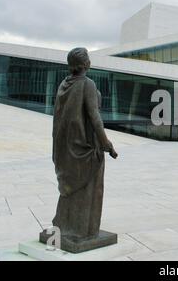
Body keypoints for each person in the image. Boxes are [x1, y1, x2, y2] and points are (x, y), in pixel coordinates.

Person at [51, 47, 118, 241]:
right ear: (84, 64)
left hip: (67, 147)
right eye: (88, 58)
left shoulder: (64, 84)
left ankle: (64, 226)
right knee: (89, 188)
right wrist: (107, 143)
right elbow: (94, 117)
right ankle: (82, 230)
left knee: (70, 190)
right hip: (86, 147)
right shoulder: (87, 84)